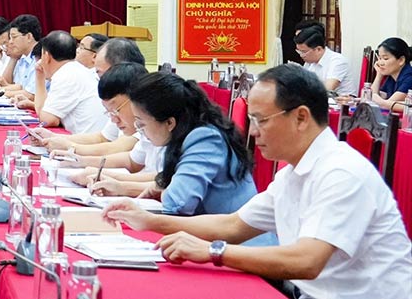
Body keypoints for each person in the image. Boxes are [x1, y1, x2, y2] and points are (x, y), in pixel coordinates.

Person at [102, 65, 412, 299]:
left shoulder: (340, 172)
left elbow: (307, 261)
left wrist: (214, 252)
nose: (252, 132)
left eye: (261, 120)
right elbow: (234, 226)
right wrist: (147, 220)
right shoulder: (292, 172)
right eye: (251, 120)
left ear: (301, 118)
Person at [95, 71, 257, 218]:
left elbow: (179, 203)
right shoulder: (184, 136)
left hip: (238, 246)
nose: (140, 131)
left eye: (141, 124)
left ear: (170, 122)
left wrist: (162, 190)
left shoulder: (205, 139)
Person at [38, 61, 145, 157]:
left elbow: (116, 148)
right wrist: (53, 137)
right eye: (109, 112)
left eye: (116, 110)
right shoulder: (123, 115)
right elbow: (102, 138)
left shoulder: (145, 126)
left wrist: (69, 147)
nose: (113, 119)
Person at [24, 31, 107, 134]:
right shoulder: (74, 70)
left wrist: (39, 77)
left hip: (87, 143)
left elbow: (47, 119)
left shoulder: (66, 75)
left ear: (46, 56)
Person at [0, 14, 41, 98]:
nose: (10, 42)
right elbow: (20, 86)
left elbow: (31, 94)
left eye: (14, 37)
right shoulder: (23, 58)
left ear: (29, 37)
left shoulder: (39, 57)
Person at [294, 26, 352, 96]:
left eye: (303, 52)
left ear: (318, 49)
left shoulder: (338, 61)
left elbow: (327, 89)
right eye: (299, 52)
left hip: (341, 104)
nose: (301, 55)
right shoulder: (310, 62)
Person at [364, 36, 412, 114]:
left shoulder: (409, 77)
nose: (380, 63)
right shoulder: (391, 76)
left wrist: (375, 98)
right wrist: (379, 74)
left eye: (385, 58)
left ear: (401, 60)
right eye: (379, 58)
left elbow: (386, 104)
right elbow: (374, 97)